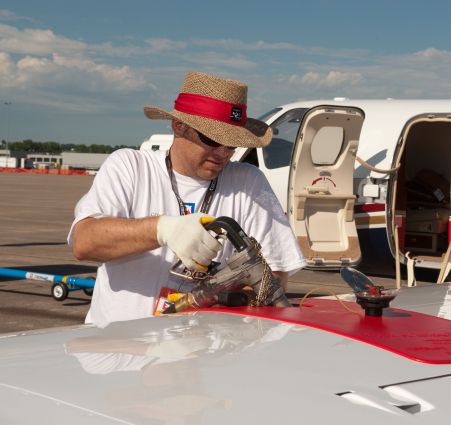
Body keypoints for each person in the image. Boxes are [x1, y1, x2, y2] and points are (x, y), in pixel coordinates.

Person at [68, 71, 306, 327]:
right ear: (178, 126)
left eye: (232, 144)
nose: (224, 153)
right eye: (213, 140)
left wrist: (223, 298)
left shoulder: (248, 182)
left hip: (203, 355)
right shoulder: (130, 166)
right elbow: (84, 243)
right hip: (120, 349)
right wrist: (161, 229)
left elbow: (276, 275)